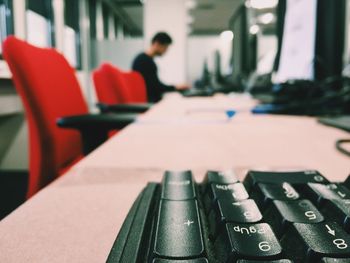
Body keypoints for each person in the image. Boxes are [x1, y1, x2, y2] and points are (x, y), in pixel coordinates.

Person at [132, 32, 189, 103]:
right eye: (165, 47)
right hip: (149, 102)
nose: (166, 50)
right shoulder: (144, 61)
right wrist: (176, 87)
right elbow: (155, 87)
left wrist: (175, 88)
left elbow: (154, 85)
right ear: (157, 44)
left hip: (150, 100)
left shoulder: (145, 59)